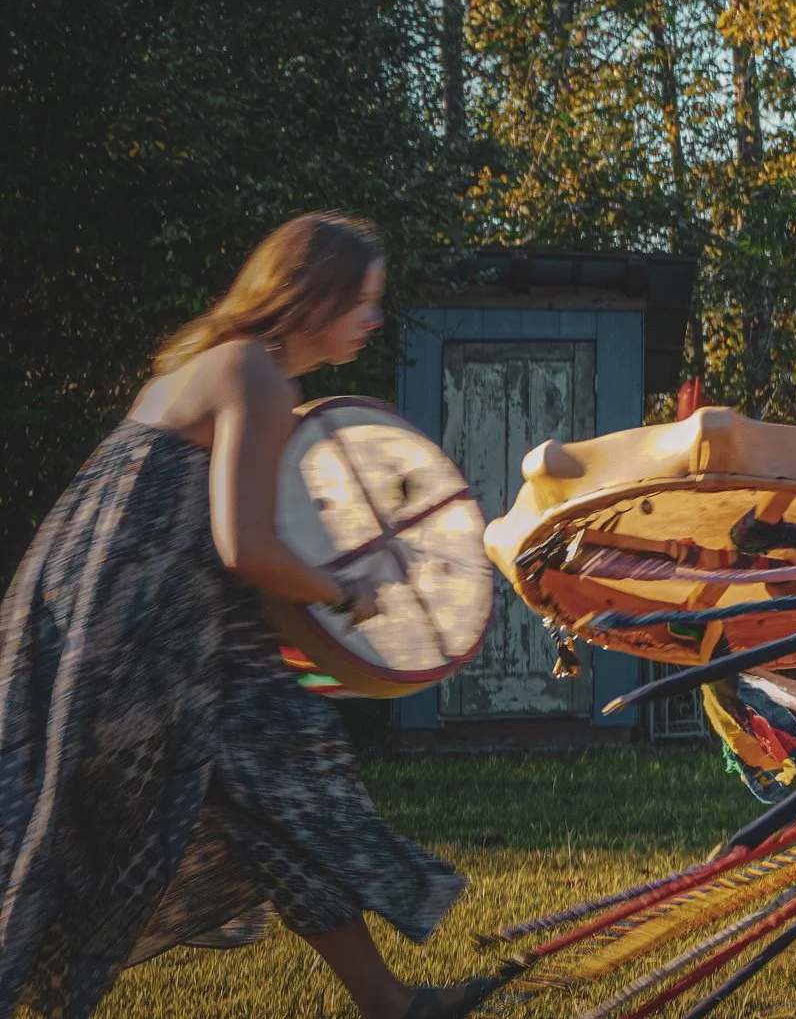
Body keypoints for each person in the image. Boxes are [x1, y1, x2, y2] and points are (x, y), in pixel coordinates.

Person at [0, 214, 501, 1019]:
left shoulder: (228, 366)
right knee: (77, 822)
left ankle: (389, 1002)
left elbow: (254, 532)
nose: (375, 318)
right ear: (310, 298)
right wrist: (344, 594)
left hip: (134, 614)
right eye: (362, 300)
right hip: (132, 629)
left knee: (270, 796)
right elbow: (244, 547)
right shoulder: (256, 374)